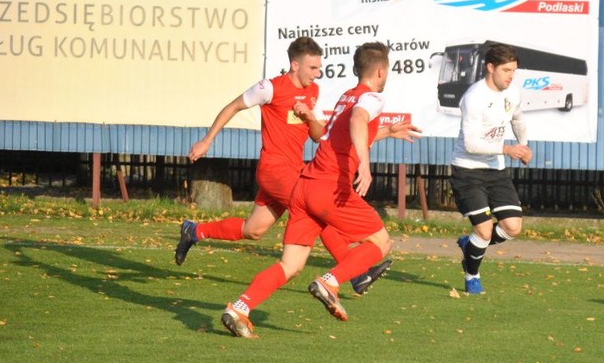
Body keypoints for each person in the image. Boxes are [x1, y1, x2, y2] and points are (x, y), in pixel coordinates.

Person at [221, 42, 421, 337]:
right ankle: (331, 281)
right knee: (381, 242)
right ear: (380, 70)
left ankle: (240, 307)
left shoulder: (347, 97)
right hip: (329, 187)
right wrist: (364, 165)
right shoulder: (372, 99)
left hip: (305, 186)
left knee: (290, 264)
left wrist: (387, 132)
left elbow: (342, 134)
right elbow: (358, 121)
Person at [175, 36, 391, 296]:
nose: (318, 73)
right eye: (312, 68)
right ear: (294, 65)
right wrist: (207, 140)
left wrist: (310, 117)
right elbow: (233, 106)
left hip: (295, 171)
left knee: (253, 230)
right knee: (317, 211)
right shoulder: (270, 88)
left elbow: (319, 135)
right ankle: (356, 274)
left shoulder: (313, 92)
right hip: (274, 171)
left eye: (319, 67)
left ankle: (194, 230)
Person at [451, 42, 533, 295]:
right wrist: (507, 150)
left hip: (495, 171)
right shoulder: (474, 98)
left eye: (513, 71)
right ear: (490, 67)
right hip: (467, 170)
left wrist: (523, 145)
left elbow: (518, 118)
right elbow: (471, 144)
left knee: (513, 227)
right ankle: (472, 275)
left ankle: (471, 245)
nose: (510, 76)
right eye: (506, 70)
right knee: (485, 230)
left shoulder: (512, 92)